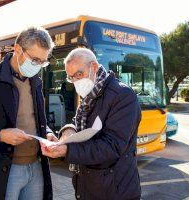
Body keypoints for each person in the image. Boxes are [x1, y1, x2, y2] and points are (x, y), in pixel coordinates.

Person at [0, 27, 56, 200]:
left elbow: (36, 119)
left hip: (36, 167)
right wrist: (1, 135)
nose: (38, 66)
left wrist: (48, 133)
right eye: (35, 60)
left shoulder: (35, 81)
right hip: (4, 169)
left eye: (42, 62)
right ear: (18, 49)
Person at [41, 48, 142, 200]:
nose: (75, 81)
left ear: (94, 67)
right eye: (71, 77)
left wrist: (66, 151)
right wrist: (68, 132)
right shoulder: (91, 92)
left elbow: (111, 146)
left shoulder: (123, 96)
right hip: (90, 186)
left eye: (79, 74)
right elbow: (79, 122)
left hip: (114, 191)